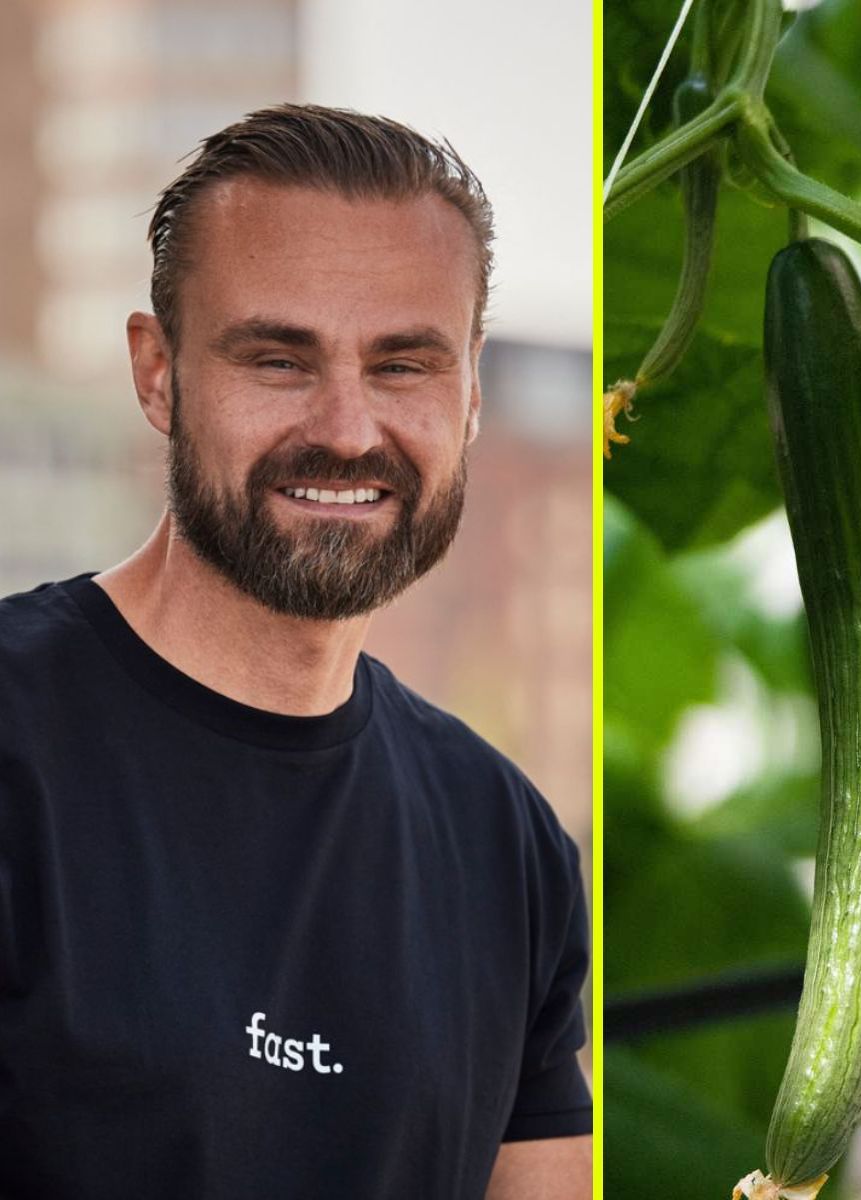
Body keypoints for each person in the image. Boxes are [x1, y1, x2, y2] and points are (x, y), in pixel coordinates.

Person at [0, 105, 590, 1198]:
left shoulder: (510, 848)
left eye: (405, 364)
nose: (348, 428)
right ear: (158, 373)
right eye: (279, 359)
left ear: (469, 396)